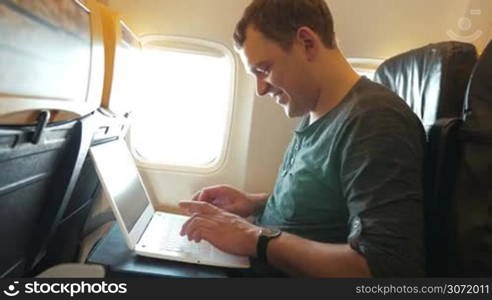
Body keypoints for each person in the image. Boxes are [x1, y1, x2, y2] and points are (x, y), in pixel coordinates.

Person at [179, 0, 426, 277]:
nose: (260, 89)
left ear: (307, 43)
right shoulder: (314, 113)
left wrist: (254, 238)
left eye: (264, 69)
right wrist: (255, 203)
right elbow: (329, 200)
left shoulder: (374, 122)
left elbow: (385, 267)